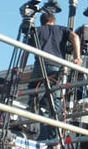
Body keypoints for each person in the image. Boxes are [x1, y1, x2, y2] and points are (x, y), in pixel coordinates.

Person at [26, 12, 82, 141]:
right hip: (55, 67)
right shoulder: (61, 29)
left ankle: (34, 108)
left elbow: (25, 51)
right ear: (54, 21)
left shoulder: (36, 31)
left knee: (32, 91)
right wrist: (77, 58)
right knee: (54, 101)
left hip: (39, 67)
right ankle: (50, 136)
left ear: (42, 22)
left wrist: (20, 68)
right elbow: (75, 37)